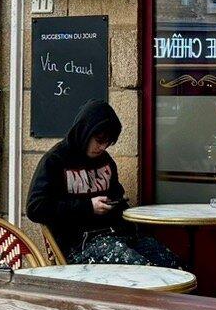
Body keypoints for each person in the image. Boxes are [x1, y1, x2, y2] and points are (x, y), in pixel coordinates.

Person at [25, 101, 175, 267]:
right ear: (85, 132)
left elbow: (116, 195)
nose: (102, 147)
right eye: (99, 140)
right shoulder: (55, 161)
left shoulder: (105, 161)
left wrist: (116, 203)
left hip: (116, 235)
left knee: (170, 263)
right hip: (79, 245)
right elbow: (35, 208)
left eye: (107, 143)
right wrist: (88, 207)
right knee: (140, 267)